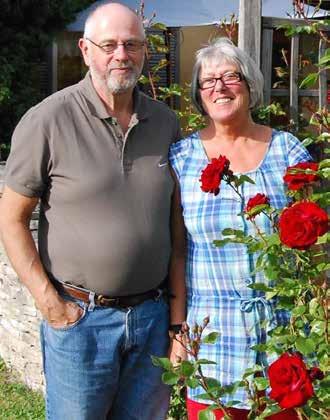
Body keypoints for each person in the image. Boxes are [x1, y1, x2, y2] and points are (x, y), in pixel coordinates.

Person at [0, 2, 181, 419]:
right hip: (82, 323)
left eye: (132, 44)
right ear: (85, 50)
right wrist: (50, 302)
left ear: (145, 51)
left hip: (152, 319)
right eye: (110, 44)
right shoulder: (47, 120)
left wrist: (175, 319)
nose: (122, 55)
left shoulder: (165, 123)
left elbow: (176, 229)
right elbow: (10, 219)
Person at [168, 38, 312, 420]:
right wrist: (178, 328)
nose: (220, 87)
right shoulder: (181, 158)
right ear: (199, 96)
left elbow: (315, 246)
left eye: (231, 76)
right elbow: (178, 250)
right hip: (213, 340)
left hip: (284, 339)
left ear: (249, 85)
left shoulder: (288, 151)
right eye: (209, 81)